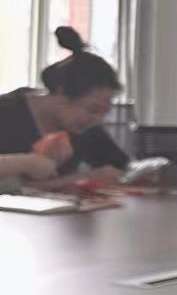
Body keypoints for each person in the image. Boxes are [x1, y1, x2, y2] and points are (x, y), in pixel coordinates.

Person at [0, 27, 128, 185]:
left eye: (105, 112)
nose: (97, 119)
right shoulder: (7, 112)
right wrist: (81, 178)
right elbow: (13, 187)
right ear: (61, 94)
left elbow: (120, 167)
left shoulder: (86, 129)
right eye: (92, 109)